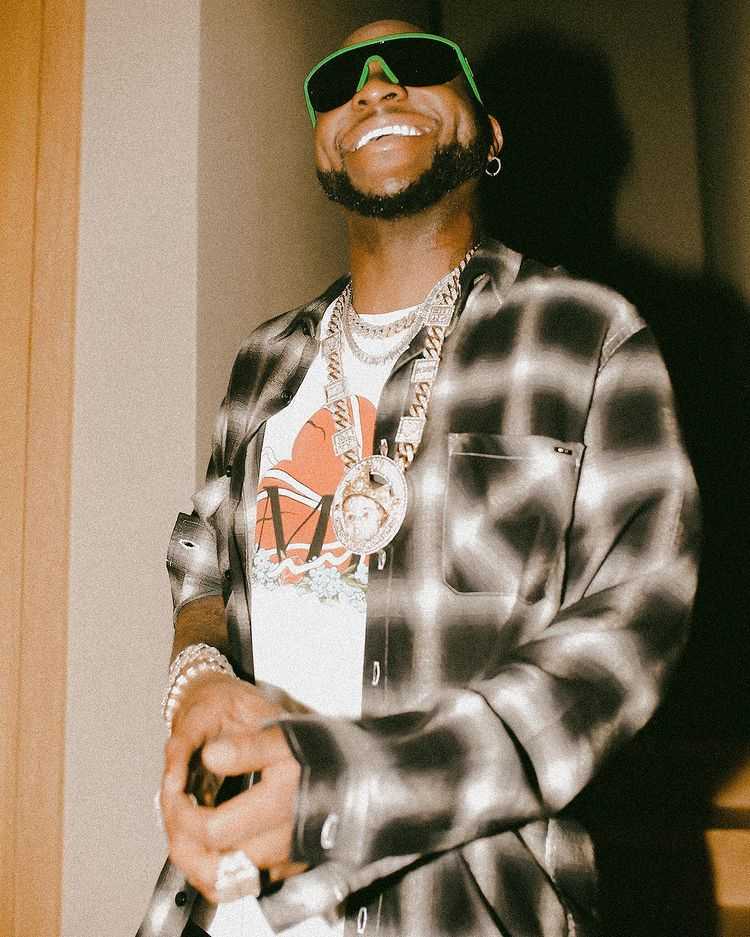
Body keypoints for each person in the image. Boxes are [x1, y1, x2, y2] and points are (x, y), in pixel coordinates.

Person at [141, 18, 700, 937]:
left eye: (421, 66)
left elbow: (629, 634)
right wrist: (198, 678)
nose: (374, 84)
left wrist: (345, 792)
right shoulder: (263, 362)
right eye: (340, 80)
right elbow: (201, 559)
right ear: (323, 148)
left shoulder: (587, 334)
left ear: (490, 134)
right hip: (222, 909)